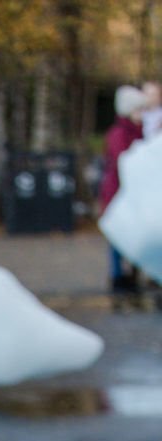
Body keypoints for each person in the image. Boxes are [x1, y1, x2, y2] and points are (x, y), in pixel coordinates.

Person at [99, 85, 146, 304]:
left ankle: (130, 276)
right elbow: (123, 163)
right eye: (138, 110)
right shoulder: (120, 133)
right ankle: (118, 276)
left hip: (132, 192)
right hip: (118, 192)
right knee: (118, 238)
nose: (141, 114)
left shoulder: (137, 131)